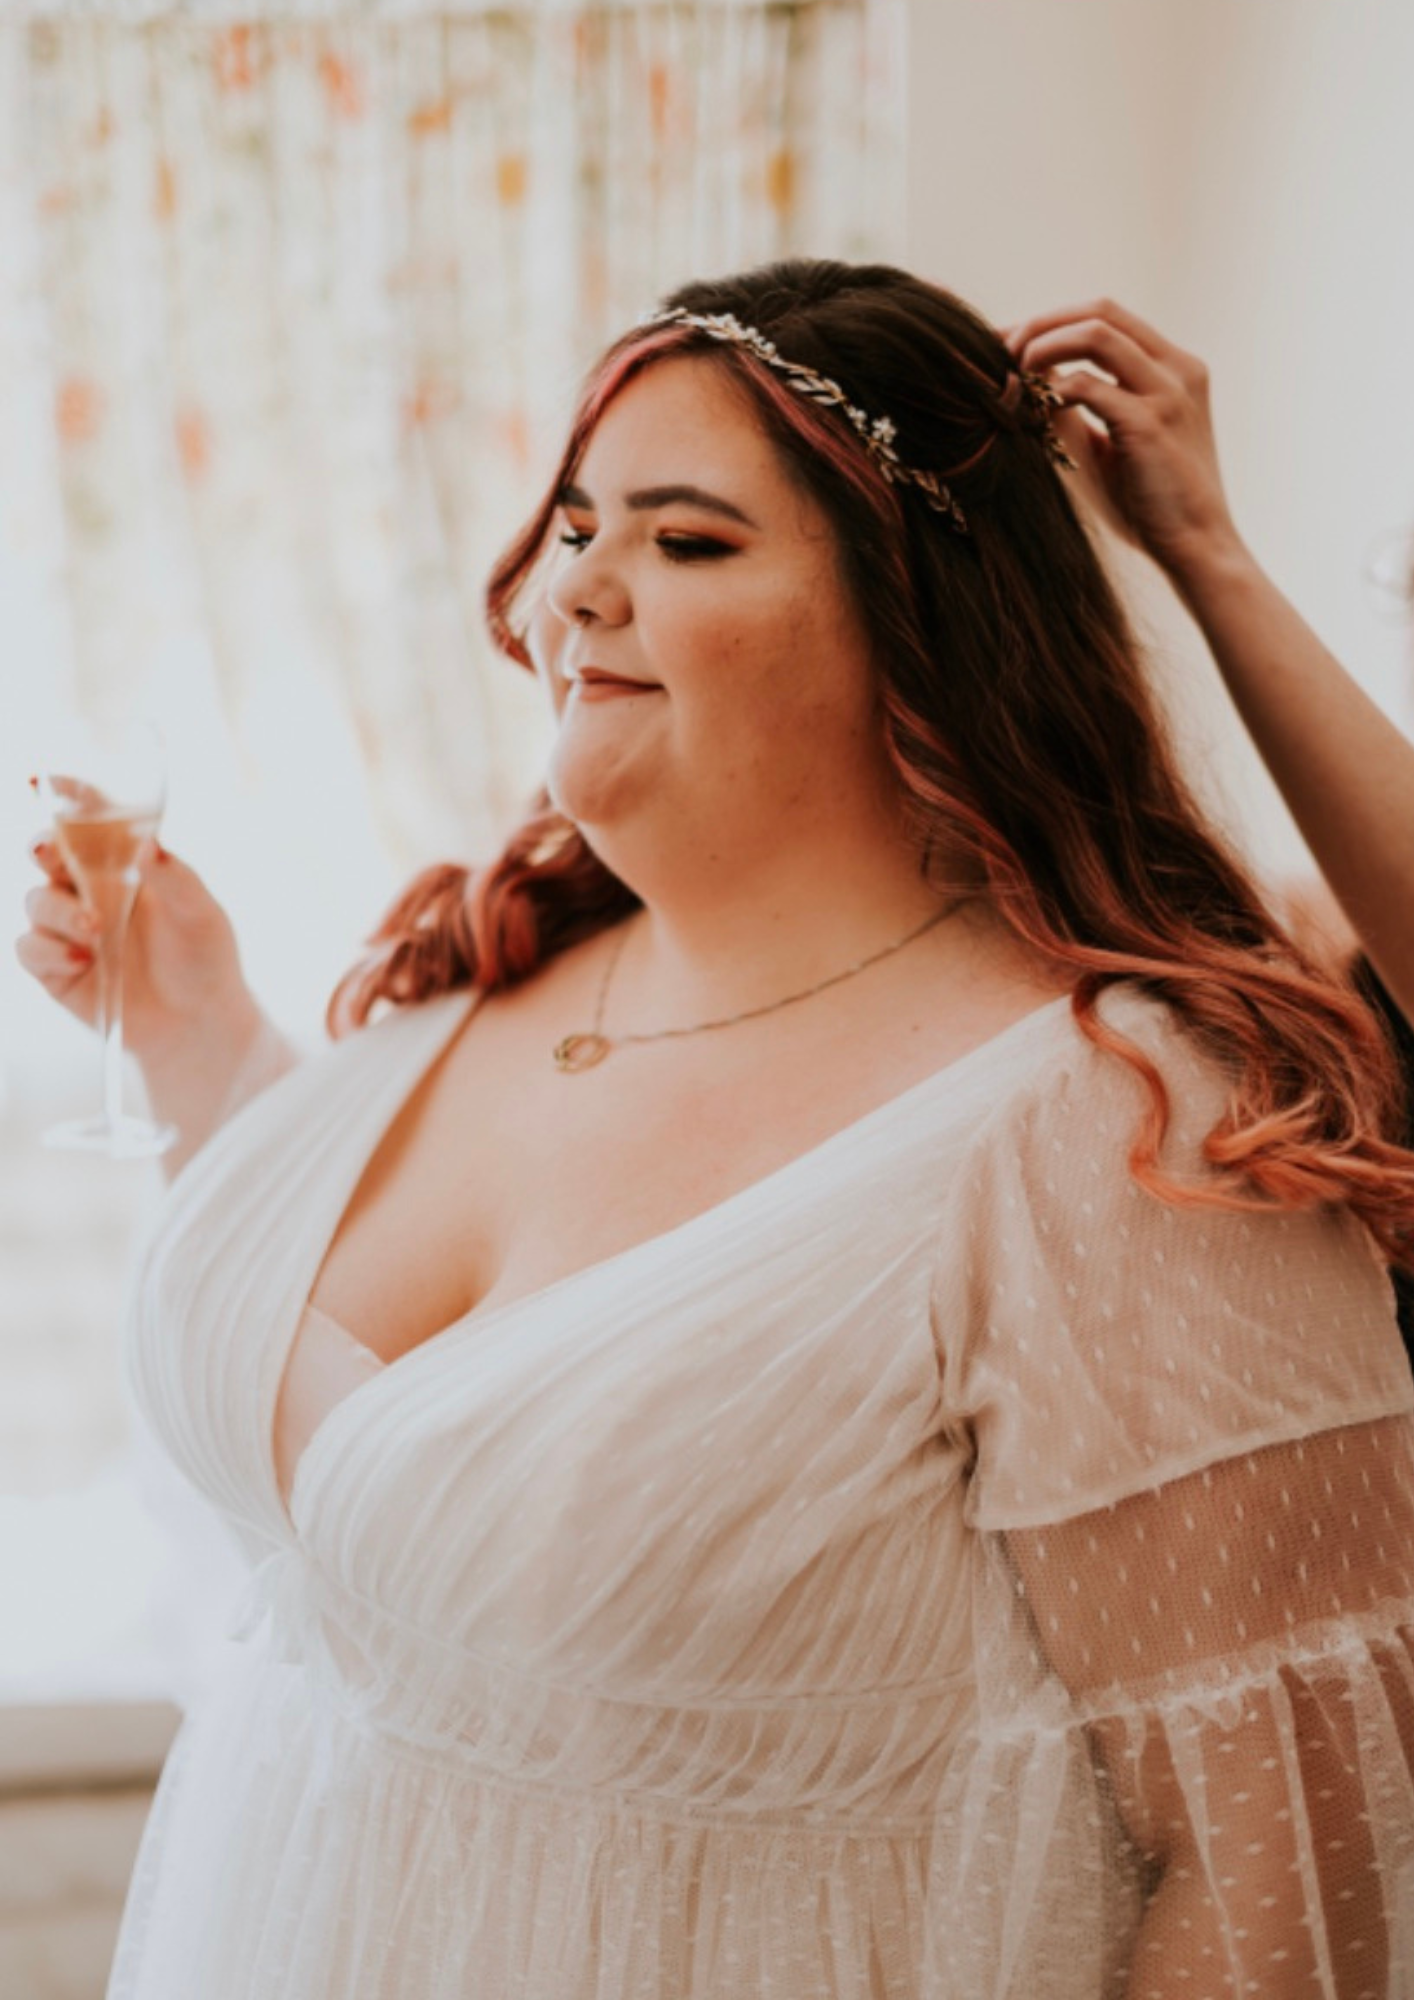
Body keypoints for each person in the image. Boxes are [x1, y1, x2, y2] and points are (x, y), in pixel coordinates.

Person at [16, 260, 1414, 1998]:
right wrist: (194, 1044)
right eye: (580, 524)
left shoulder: (1118, 1136)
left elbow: (1286, 1880)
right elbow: (377, 1533)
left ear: (921, 627)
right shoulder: (473, 992)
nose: (578, 587)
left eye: (686, 544)